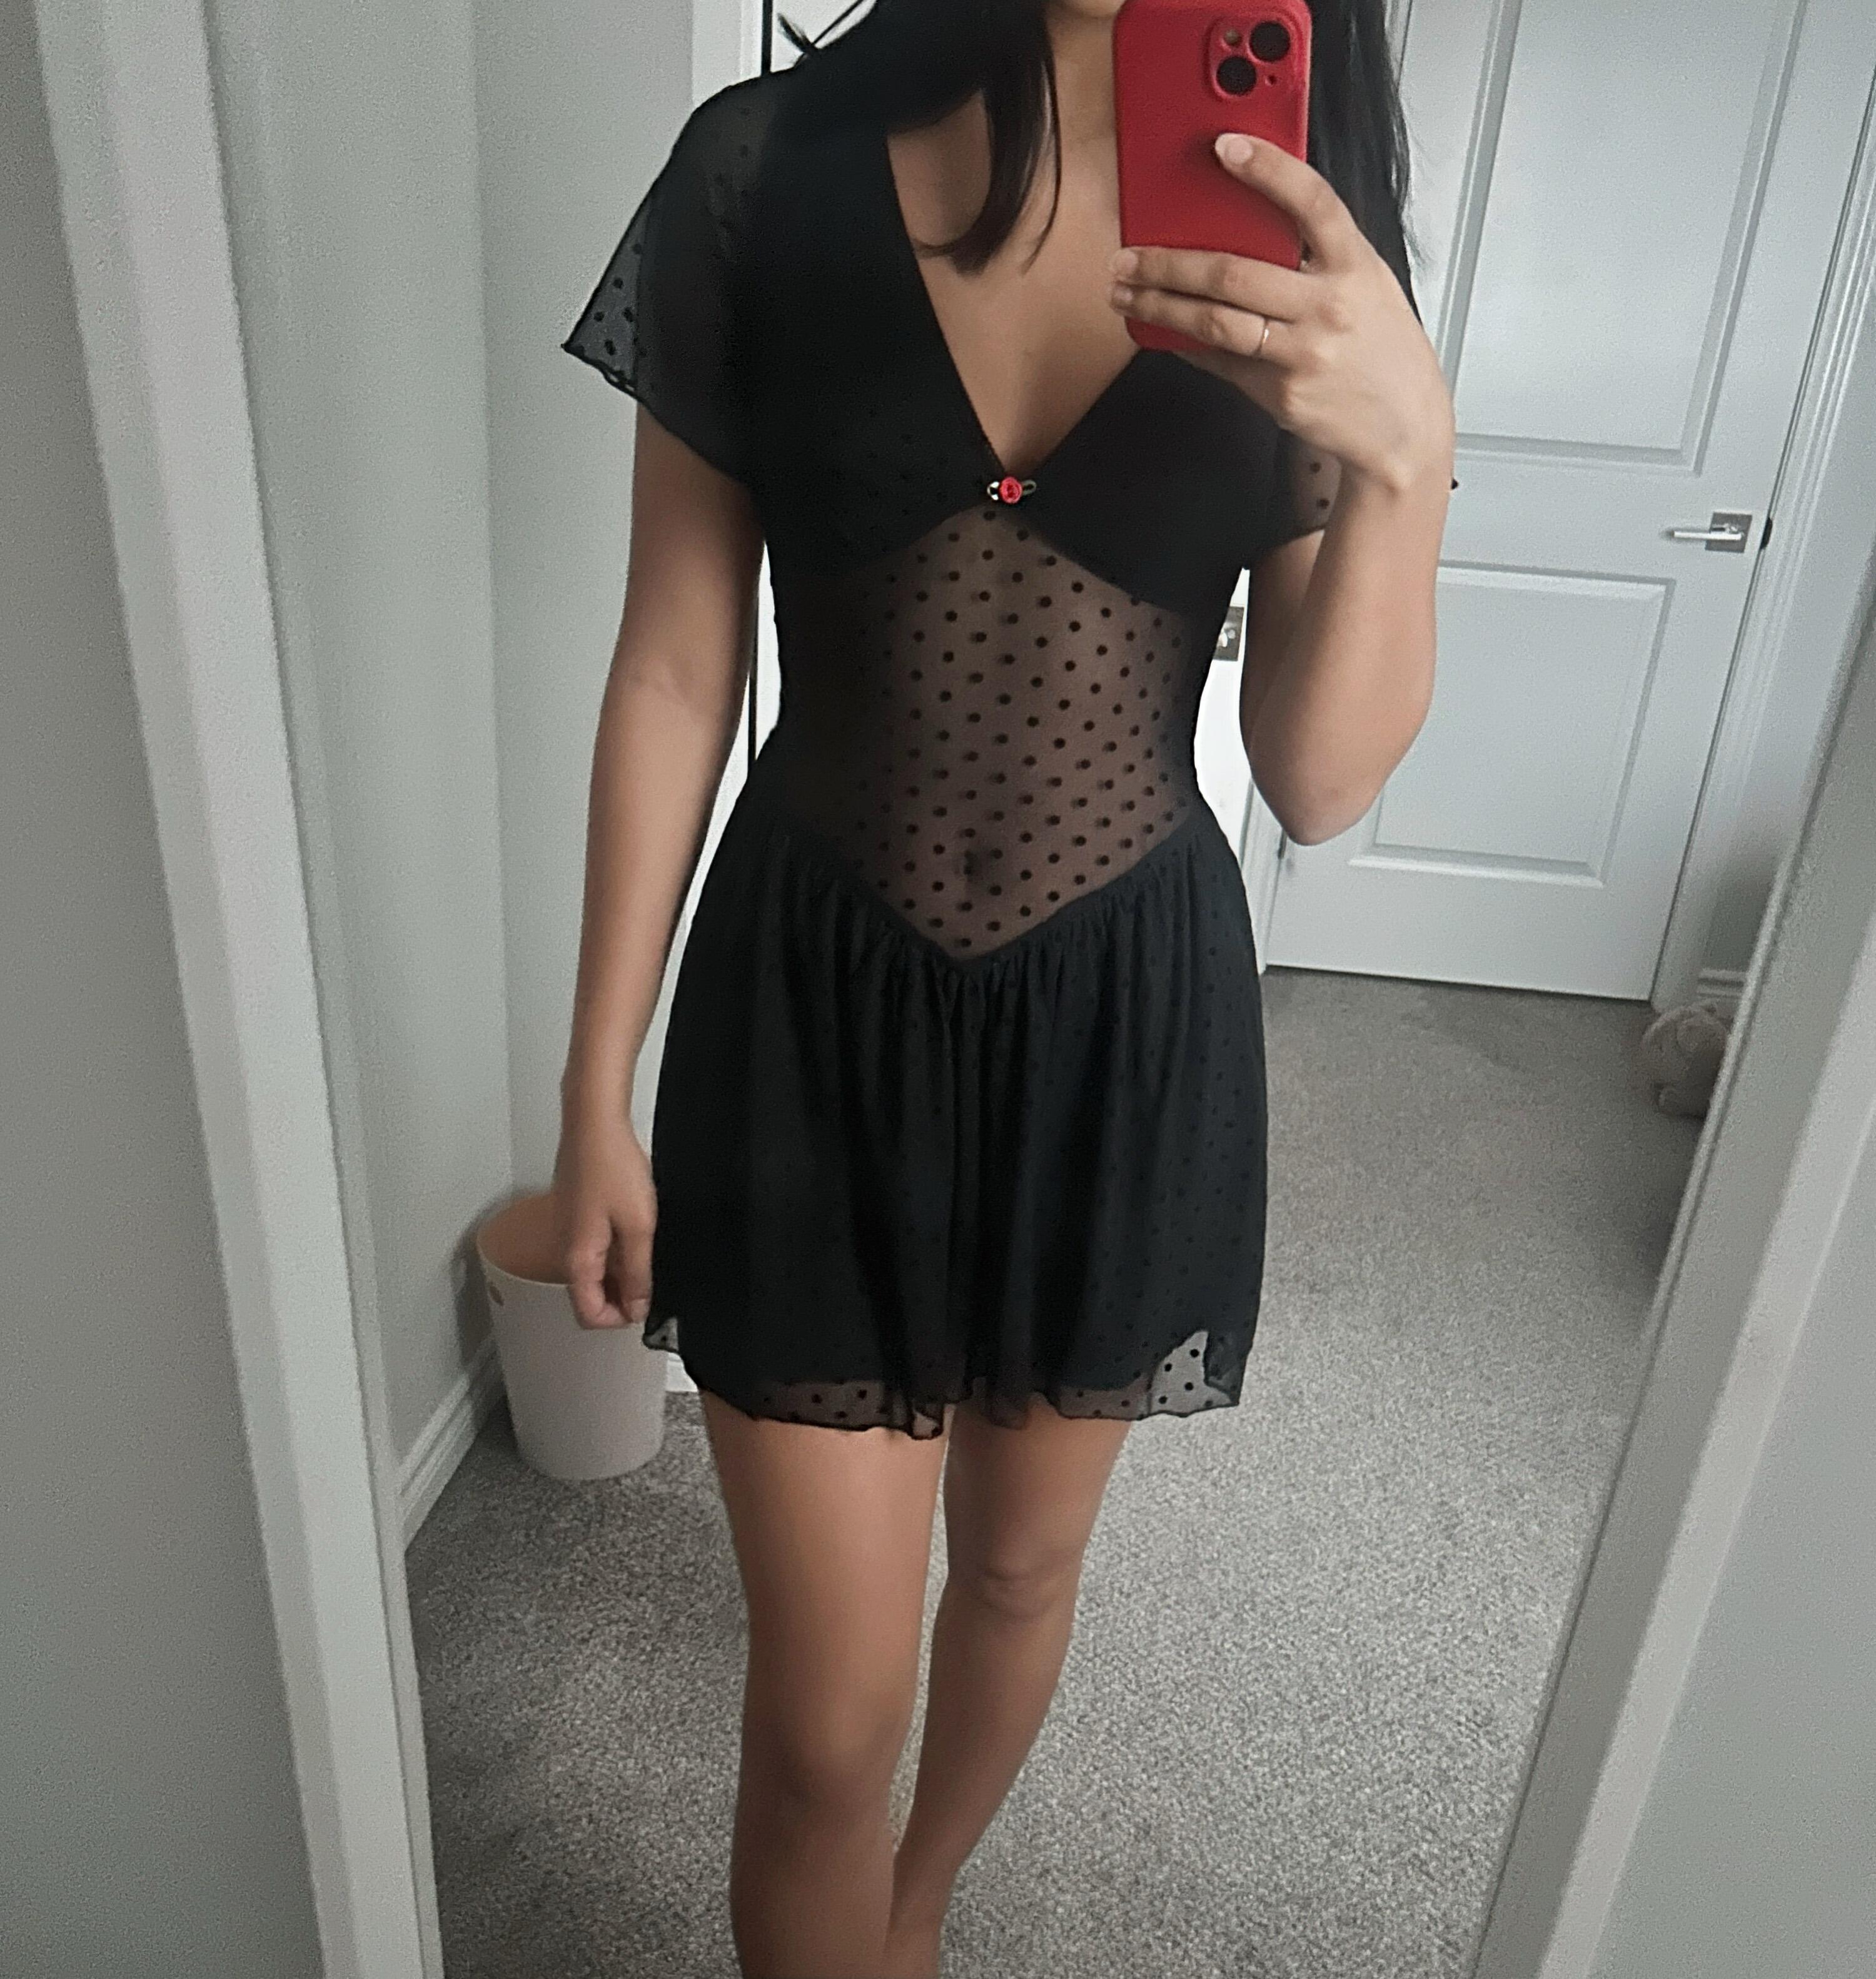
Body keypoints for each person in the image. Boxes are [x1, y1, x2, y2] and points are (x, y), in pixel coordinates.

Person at [553, 2, 1451, 1971]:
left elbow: (1315, 773)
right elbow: (675, 666)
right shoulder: (761, 170)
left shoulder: (1307, 225)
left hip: (1124, 1021)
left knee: (1026, 1571)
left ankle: (918, 1909)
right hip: (806, 1012)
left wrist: (1412, 458)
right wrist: (591, 1086)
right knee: (823, 1718)